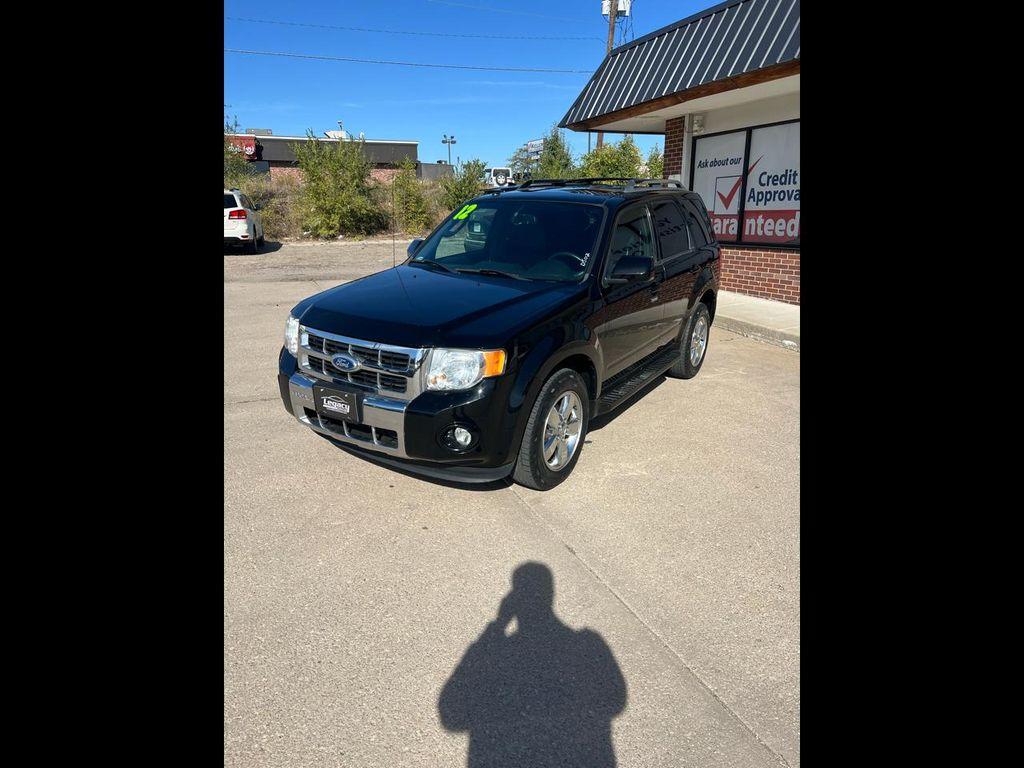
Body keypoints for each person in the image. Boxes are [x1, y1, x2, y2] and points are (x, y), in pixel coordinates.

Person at [438, 562, 627, 767]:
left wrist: (498, 625)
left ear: (515, 601)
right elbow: (616, 700)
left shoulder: (500, 653)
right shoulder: (588, 645)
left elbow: (451, 713)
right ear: (551, 594)